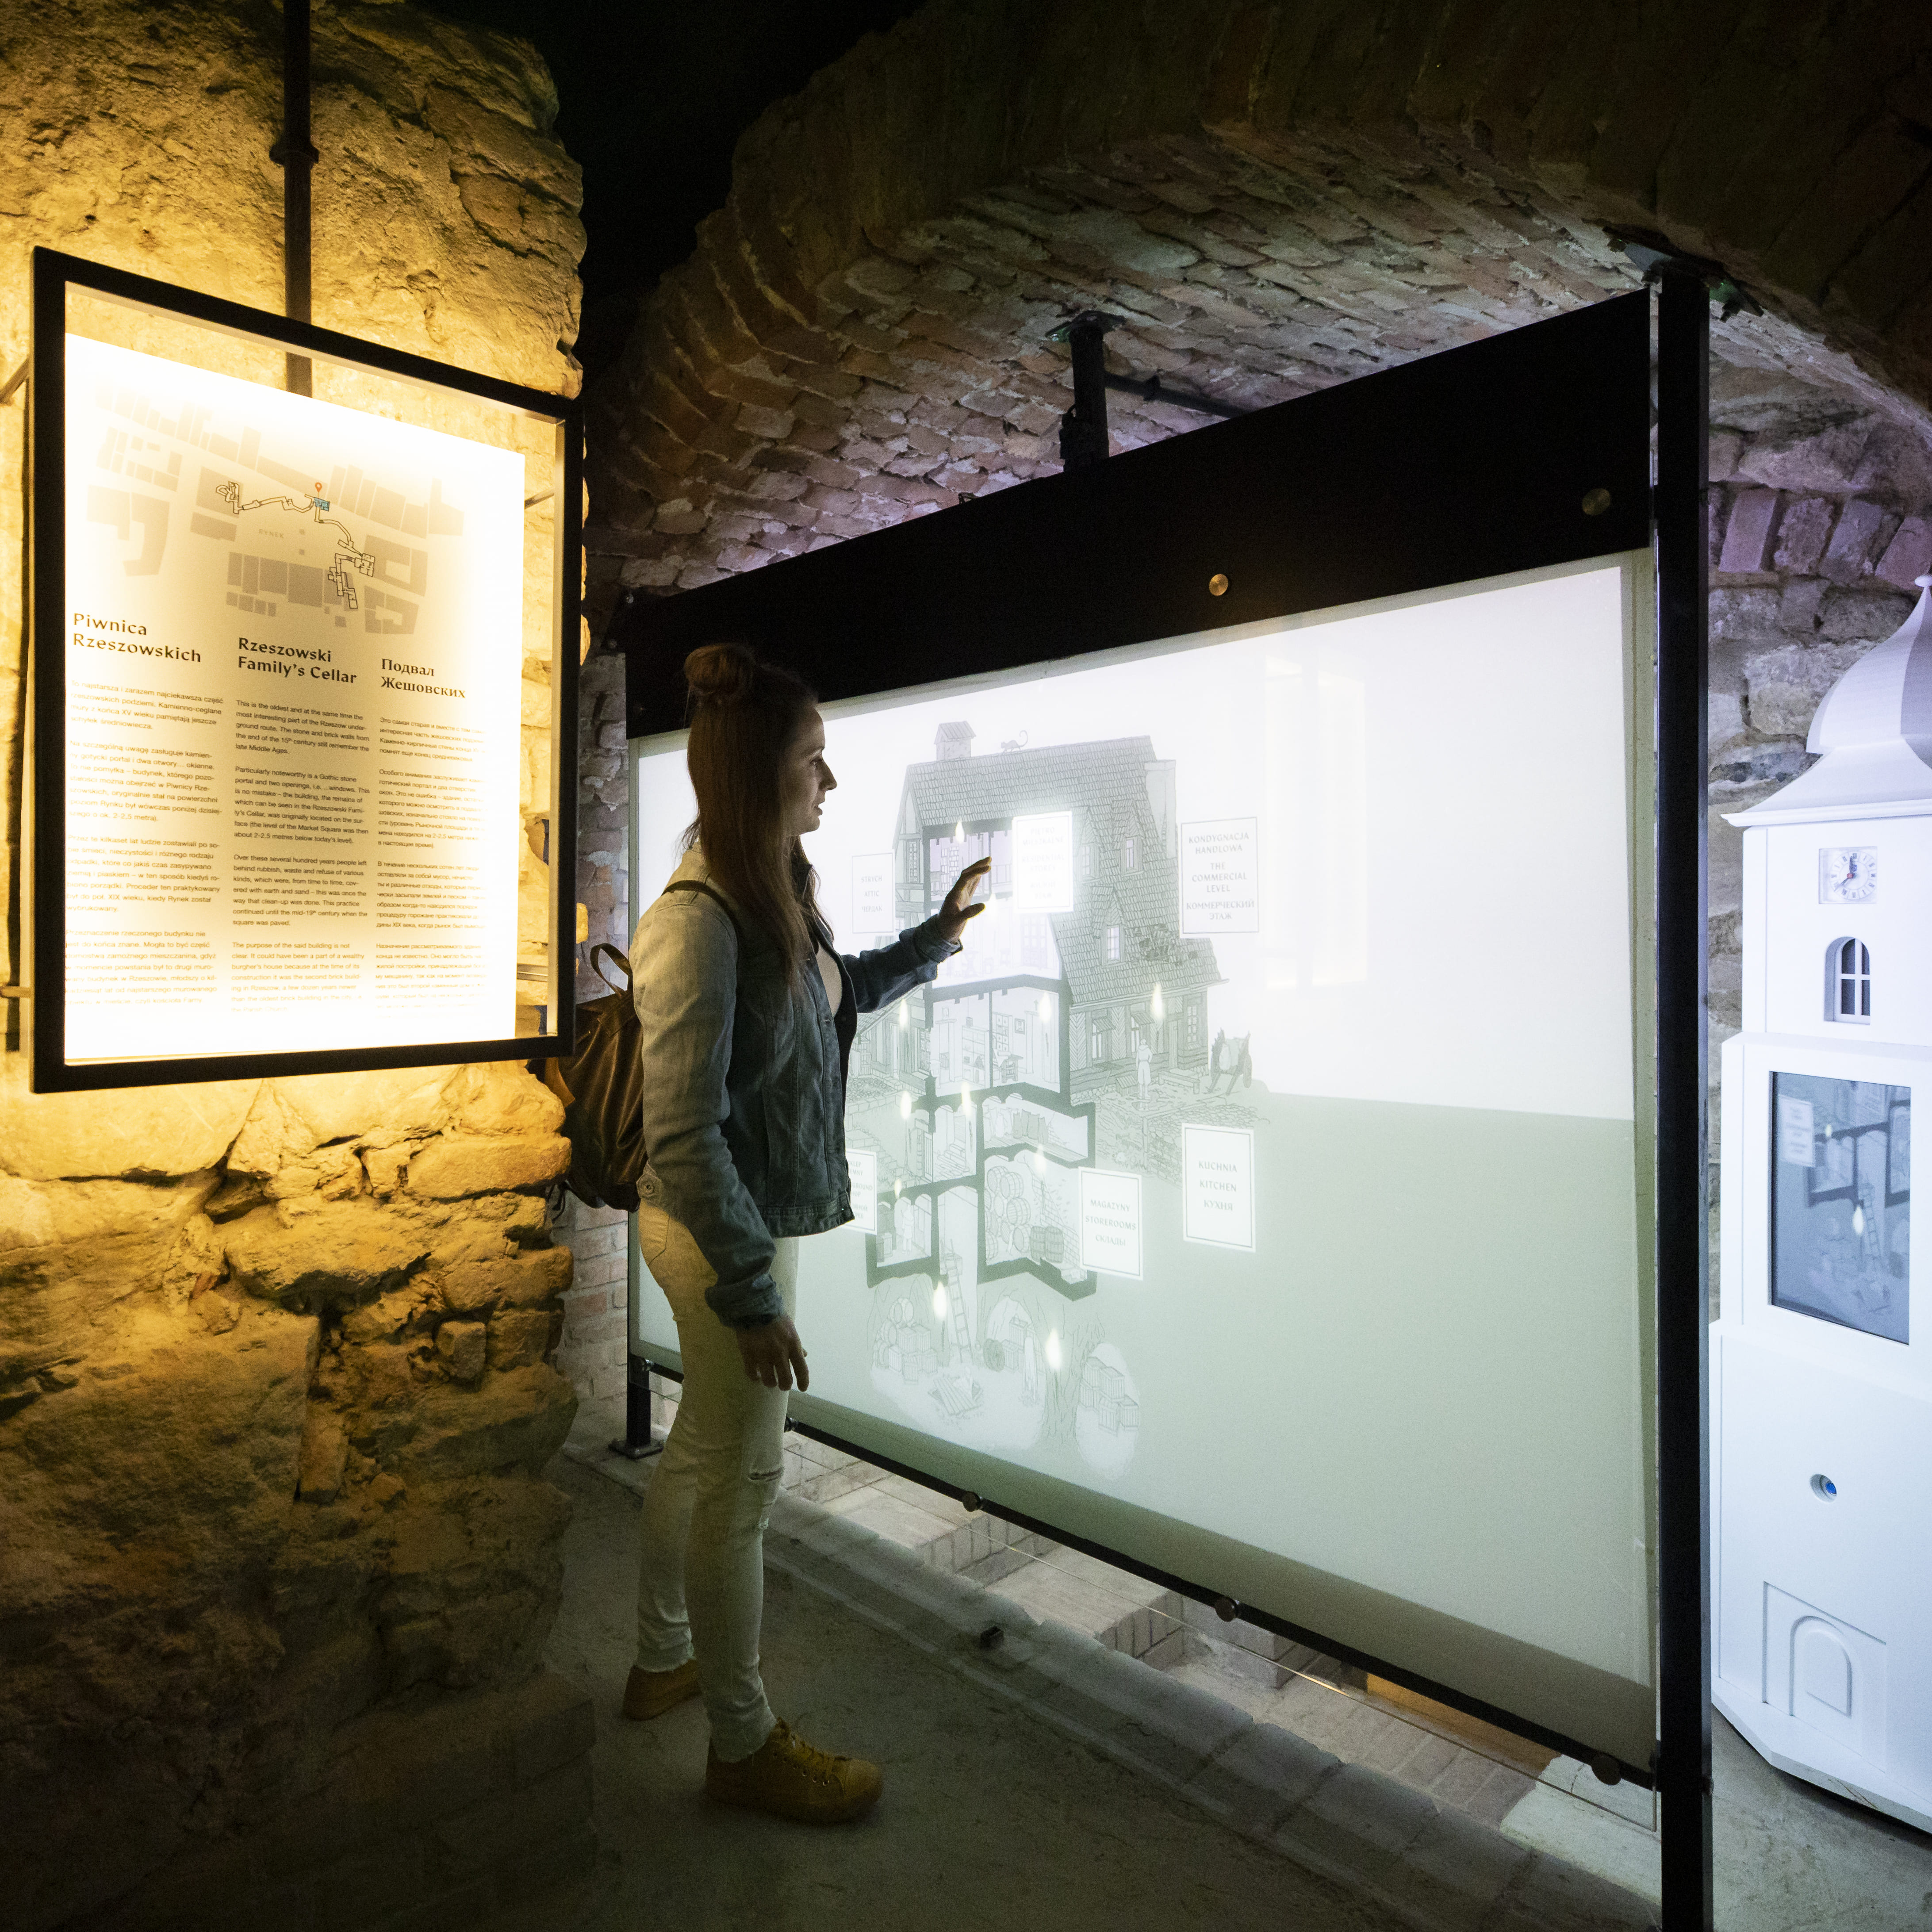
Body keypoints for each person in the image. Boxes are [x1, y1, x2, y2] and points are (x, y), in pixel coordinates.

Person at [626, 642, 989, 1825]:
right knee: (745, 1479)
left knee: (704, 1449)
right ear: (758, 775)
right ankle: (742, 1744)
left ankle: (663, 1657)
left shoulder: (769, 895)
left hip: (741, 1223)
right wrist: (749, 1293)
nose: (829, 782)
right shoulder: (698, 922)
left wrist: (933, 941)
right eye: (811, 760)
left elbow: (837, 998)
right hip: (713, 1233)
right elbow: (684, 1133)